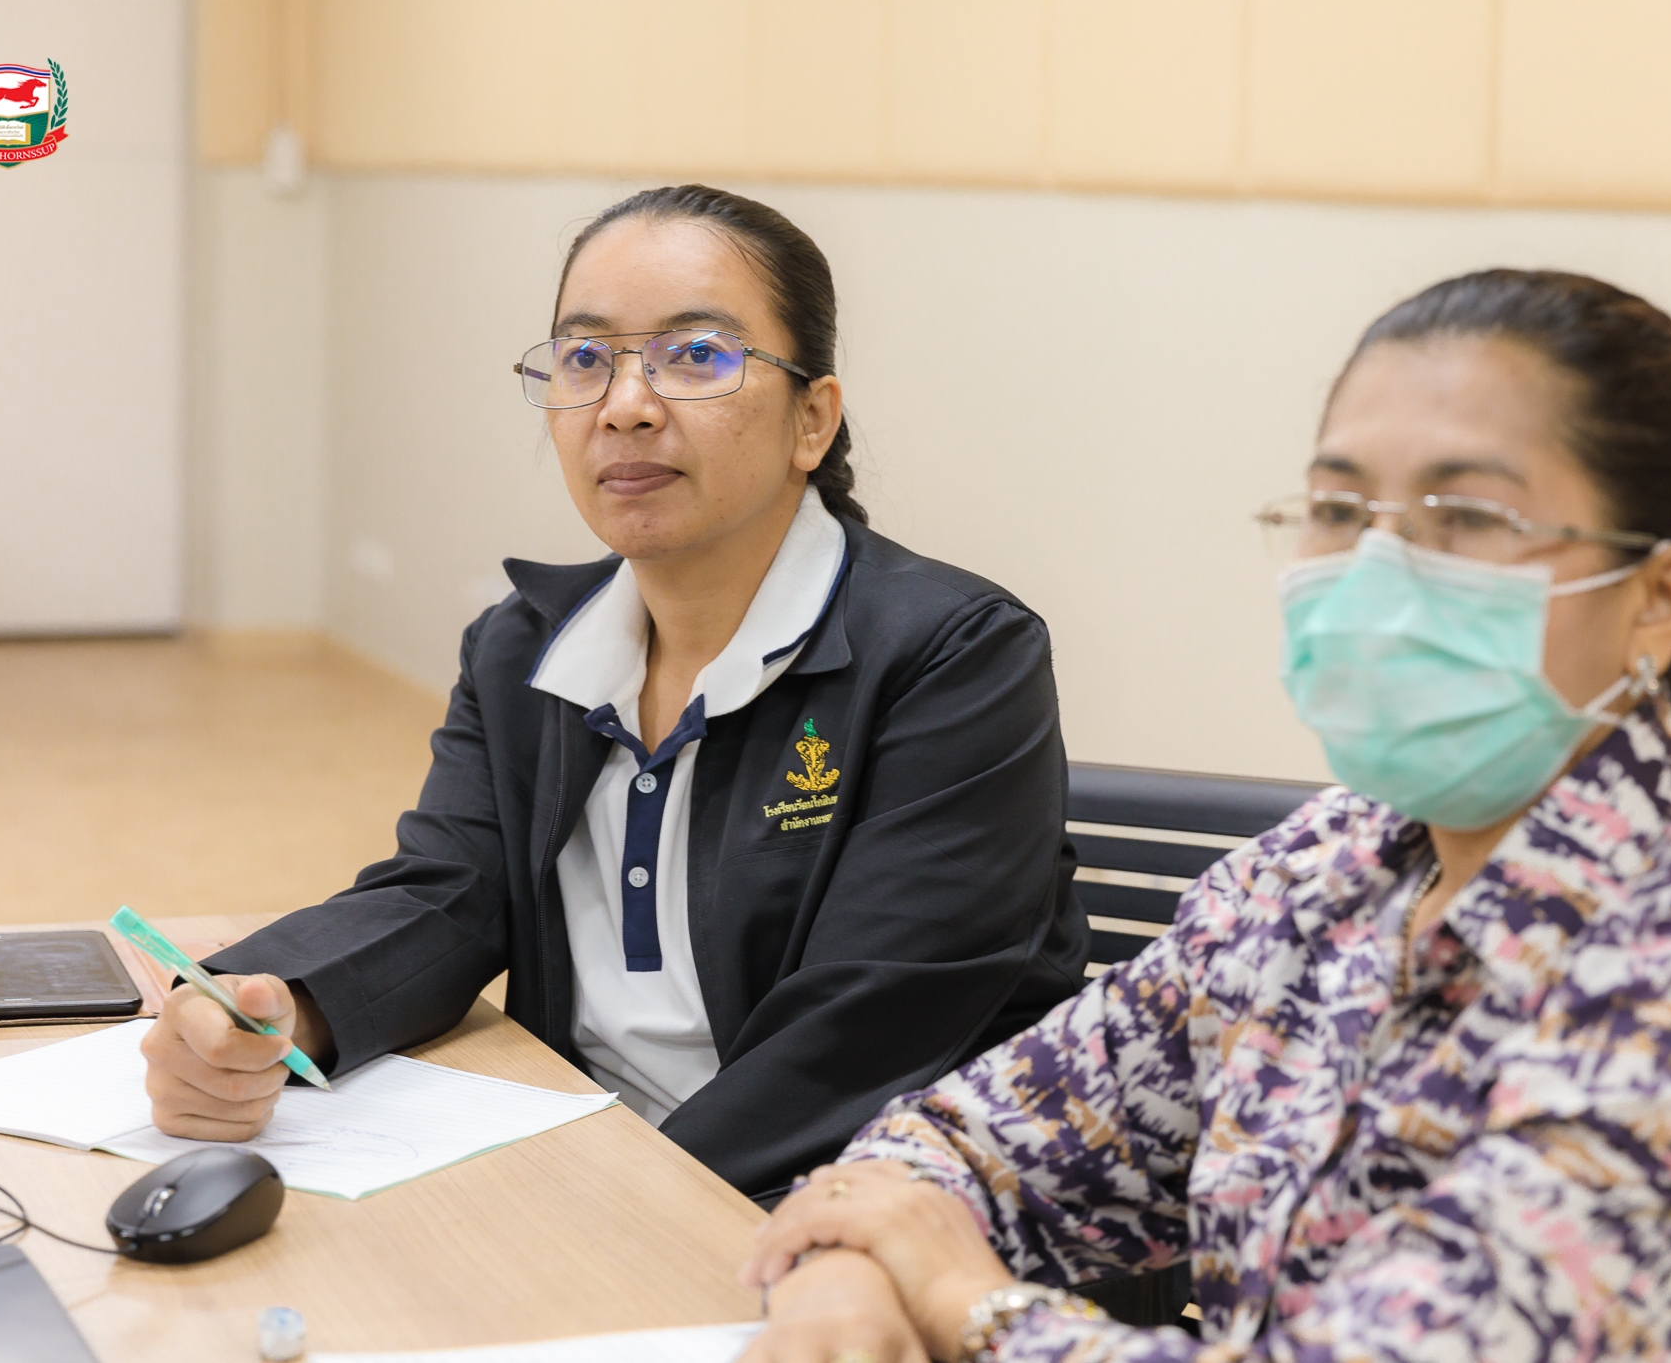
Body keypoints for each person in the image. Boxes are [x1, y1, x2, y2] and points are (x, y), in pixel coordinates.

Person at [741, 269, 1671, 1362]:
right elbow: (961, 1141)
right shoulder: (1324, 870)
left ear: (1657, 599)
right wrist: (845, 1275)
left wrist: (964, 1302)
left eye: (1466, 516)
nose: (1375, 574)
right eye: (1338, 509)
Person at [137, 184, 1088, 1203]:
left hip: (847, 1207)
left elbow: (862, 1031)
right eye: (585, 359)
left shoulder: (953, 657)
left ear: (811, 419)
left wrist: (611, 1201)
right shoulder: (524, 650)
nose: (624, 405)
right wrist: (278, 1009)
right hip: (581, 1160)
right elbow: (448, 896)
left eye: (697, 355)